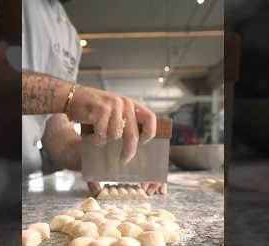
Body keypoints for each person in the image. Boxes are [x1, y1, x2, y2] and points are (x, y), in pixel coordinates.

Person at [22, 0, 168, 196]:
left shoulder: (69, 34)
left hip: (25, 185)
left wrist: (110, 156)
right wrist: (70, 96)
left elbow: (56, 133)